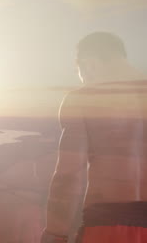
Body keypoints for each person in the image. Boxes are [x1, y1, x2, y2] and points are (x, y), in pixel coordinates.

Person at [42, 32, 147, 243]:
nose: (81, 79)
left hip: (108, 228)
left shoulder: (84, 100)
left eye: (79, 71)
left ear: (89, 64)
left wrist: (55, 233)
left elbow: (69, 176)